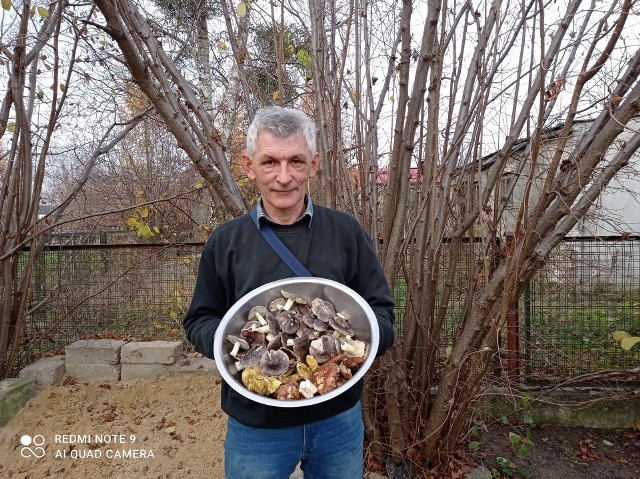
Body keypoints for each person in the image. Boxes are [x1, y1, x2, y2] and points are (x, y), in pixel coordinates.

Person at [183, 106, 395, 479]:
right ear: (249, 166)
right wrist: (232, 341)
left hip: (337, 418)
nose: (284, 177)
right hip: (257, 425)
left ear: (313, 165)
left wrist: (361, 339)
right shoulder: (226, 242)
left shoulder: (345, 232)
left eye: (296, 161)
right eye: (270, 162)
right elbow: (200, 318)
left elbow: (381, 310)